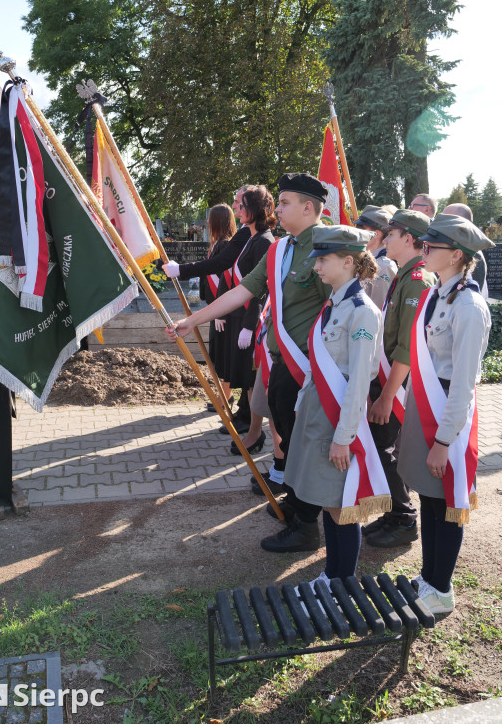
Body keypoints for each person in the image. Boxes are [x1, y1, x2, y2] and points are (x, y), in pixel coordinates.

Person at [166, 173, 331, 550]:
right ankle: (297, 504)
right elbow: (243, 290)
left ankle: (307, 526)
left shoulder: (328, 247)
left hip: (311, 367)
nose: (278, 208)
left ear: (309, 208)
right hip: (282, 363)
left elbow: (338, 311)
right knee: (288, 438)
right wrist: (191, 321)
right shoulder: (281, 250)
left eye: (285, 202)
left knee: (306, 444)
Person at [266, 226, 385, 586]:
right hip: (318, 413)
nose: (316, 265)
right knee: (328, 502)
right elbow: (316, 367)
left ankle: (341, 581)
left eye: (323, 259)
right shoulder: (333, 305)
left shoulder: (361, 312)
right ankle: (332, 574)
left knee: (341, 505)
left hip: (338, 419)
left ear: (348, 262)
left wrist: (344, 437)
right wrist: (303, 403)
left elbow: (359, 381)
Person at [397, 216, 494, 615]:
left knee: (447, 503)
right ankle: (429, 577)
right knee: (429, 496)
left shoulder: (469, 307)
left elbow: (464, 383)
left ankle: (441, 588)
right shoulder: (437, 294)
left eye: (430, 247)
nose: (423, 251)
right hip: (426, 404)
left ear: (456, 255)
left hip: (448, 417)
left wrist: (442, 442)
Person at [364, 210, 436, 548]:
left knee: (386, 448)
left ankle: (404, 518)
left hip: (398, 382)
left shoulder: (418, 280)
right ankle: (394, 512)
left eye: (390, 233)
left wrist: (387, 396)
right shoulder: (403, 276)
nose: (385, 238)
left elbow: (408, 347)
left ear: (409, 238)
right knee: (382, 447)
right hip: (389, 376)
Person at [162, 185, 255, 432]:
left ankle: (245, 415)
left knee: (240, 365)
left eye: (239, 203)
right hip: (229, 308)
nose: (235, 207)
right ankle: (240, 410)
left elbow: (225, 269)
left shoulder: (255, 238)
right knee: (227, 360)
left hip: (242, 311)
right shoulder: (243, 235)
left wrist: (181, 270)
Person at [216, 186, 276, 414]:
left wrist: (249, 326)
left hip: (250, 318)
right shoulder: (252, 237)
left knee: (249, 376)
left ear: (254, 210)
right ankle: (248, 423)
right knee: (244, 375)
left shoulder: (263, 241)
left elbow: (260, 289)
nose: (237, 209)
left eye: (242, 206)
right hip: (240, 314)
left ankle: (252, 427)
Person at [200, 203, 237, 410]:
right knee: (217, 354)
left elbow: (227, 279)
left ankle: (226, 398)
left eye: (210, 218)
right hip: (216, 309)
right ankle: (224, 395)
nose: (207, 222)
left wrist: (220, 311)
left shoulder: (226, 245)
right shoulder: (216, 244)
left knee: (224, 355)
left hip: (224, 312)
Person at [354, 205, 398, 309]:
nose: (356, 231)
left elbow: (376, 308)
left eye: (361, 228)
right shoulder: (366, 259)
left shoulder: (383, 266)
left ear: (376, 234)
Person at [441, 203, 488, 297]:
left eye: (448, 220)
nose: (442, 224)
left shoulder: (473, 253)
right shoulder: (452, 246)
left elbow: (471, 295)